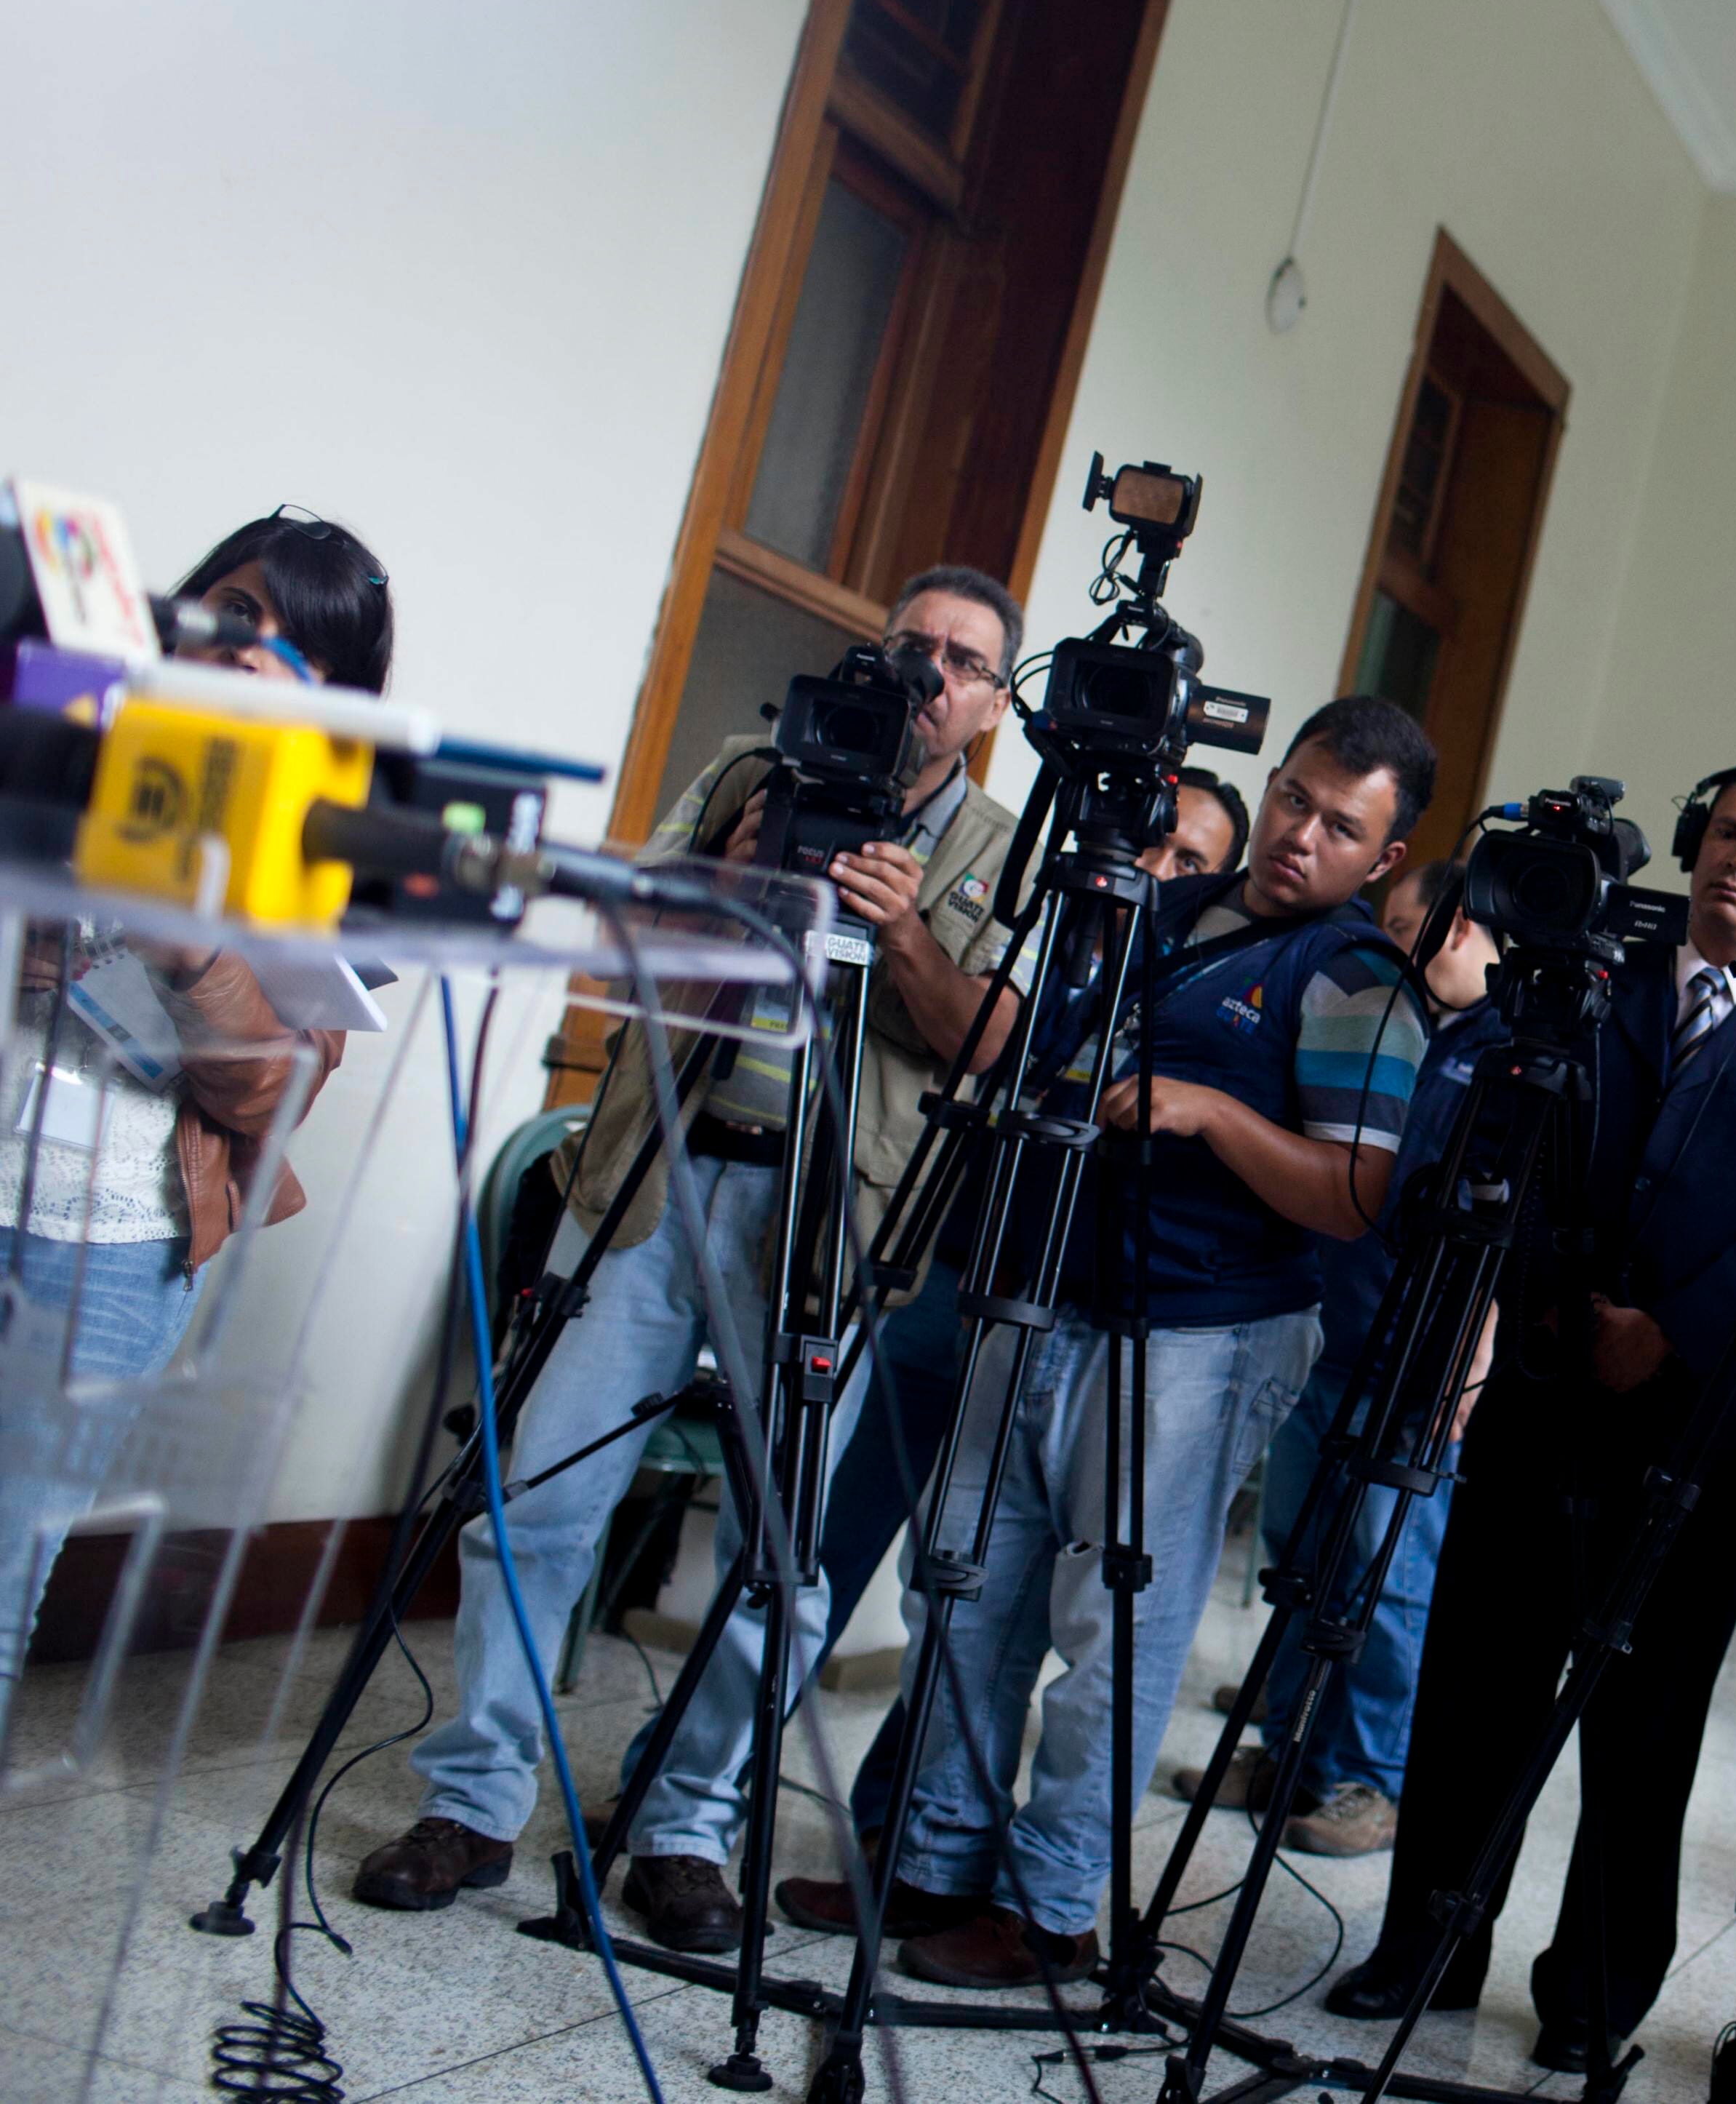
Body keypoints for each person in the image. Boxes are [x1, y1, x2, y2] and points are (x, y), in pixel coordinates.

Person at [357, 567, 1028, 1955]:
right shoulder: (749, 768)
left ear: (992, 706)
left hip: (827, 1224)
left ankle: (680, 1823)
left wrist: (902, 930)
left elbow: (991, 1040)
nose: (929, 673)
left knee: (780, 1558)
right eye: (910, 644)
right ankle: (473, 1799)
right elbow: (632, 930)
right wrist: (741, 866)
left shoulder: (1000, 849)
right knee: (537, 1501)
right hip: (655, 1178)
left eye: (963, 661)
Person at [777, 696, 1439, 1987]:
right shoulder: (1163, 909)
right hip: (1038, 1291)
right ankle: (932, 1865)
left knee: (1110, 1633)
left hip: (1196, 1332)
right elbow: (1013, 1042)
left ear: (1385, 857)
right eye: (1294, 800)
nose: (1301, 837)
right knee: (966, 1590)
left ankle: (1051, 1910)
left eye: (1340, 828)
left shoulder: (1357, 978)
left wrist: (1211, 1114)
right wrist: (911, 936)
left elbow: (1359, 1194)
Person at [1326, 763, 1736, 2075]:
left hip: (1699, 1421)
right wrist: (1555, 1298)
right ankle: (1426, 1946)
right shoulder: (1601, 973)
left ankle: (1593, 1994)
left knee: (1647, 1722)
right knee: (1476, 1689)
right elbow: (1517, 1139)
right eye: (1728, 833)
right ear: (1693, 843)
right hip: (1545, 1388)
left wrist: (1672, 1328)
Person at [800, 760, 1258, 1850]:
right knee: (827, 1537)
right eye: (1153, 844)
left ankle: (898, 1833)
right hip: (953, 1271)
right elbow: (975, 1039)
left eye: (1191, 861)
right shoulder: (1054, 932)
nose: (1160, 871)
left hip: (1074, 1322)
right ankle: (693, 1784)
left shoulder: (1216, 1003)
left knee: (979, 1592)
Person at [0, 511, 388, 1694]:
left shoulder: (331, 841)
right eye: (235, 608)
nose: (248, 646)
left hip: (107, 1245)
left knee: (5, 1562)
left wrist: (188, 951)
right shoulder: (69, 723)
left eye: (294, 641)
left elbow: (271, 1092)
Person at [1184, 856, 1505, 1859]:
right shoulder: (1382, 1024)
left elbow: (1512, 1228)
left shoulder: (1508, 1053)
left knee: (1385, 1573)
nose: (1384, 948)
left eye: (1400, 927)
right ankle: (1288, 1755)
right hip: (1328, 1333)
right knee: (1298, 1556)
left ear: (1457, 927)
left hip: (1418, 1362)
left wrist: (1474, 1348)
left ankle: (1372, 1780)